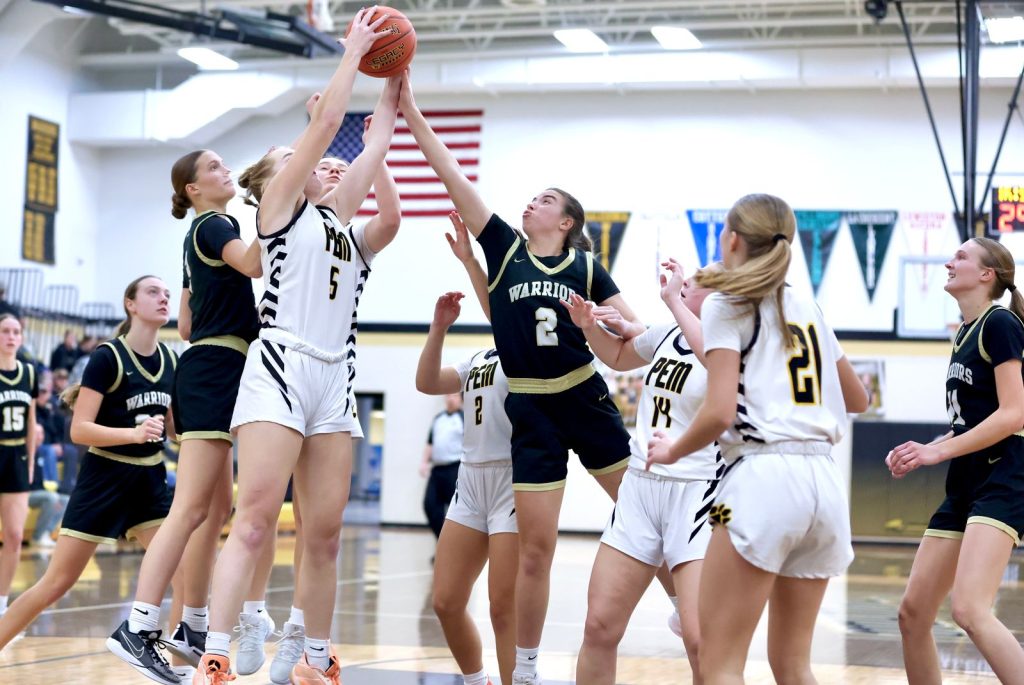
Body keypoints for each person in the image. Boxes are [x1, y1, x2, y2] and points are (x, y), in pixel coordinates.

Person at [399, 75, 644, 685]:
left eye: (544, 200)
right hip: (531, 409)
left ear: (566, 221)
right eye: (531, 198)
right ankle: (526, 671)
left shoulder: (587, 265)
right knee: (537, 550)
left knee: (643, 511)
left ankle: (687, 611)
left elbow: (634, 338)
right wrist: (411, 112)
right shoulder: (505, 250)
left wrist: (609, 322)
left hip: (583, 394)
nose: (530, 204)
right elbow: (451, 172)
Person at [192, 11, 401, 683]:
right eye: (290, 156)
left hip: (336, 375)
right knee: (255, 520)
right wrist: (352, 55)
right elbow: (325, 125)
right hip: (281, 365)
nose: (304, 157)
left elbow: (377, 150)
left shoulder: (341, 222)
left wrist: (393, 85)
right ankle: (216, 652)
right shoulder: (277, 208)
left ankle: (315, 657)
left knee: (326, 534)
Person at [646, 193, 868, 685]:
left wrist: (672, 449)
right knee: (793, 665)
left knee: (720, 662)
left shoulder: (726, 304)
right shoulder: (807, 305)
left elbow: (719, 410)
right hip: (825, 486)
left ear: (731, 239)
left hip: (760, 480)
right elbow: (858, 398)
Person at [107, 148, 263, 684]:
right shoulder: (217, 224)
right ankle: (138, 626)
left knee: (215, 509)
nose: (226, 171)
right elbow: (255, 264)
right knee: (191, 508)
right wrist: (279, 209)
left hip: (213, 366)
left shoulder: (198, 233)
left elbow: (187, 324)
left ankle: (193, 627)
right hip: (216, 368)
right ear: (193, 189)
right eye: (214, 168)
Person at [0, 277, 184, 683]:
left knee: (186, 574)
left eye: (168, 294)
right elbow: (79, 430)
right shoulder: (108, 357)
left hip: (149, 480)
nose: (164, 298)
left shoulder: (171, 361)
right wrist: (133, 434)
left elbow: (172, 428)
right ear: (130, 304)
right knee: (57, 582)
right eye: (153, 292)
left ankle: (177, 670)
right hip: (105, 480)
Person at [566, 259, 719, 685]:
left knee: (700, 640)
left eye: (700, 280)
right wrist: (588, 326)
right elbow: (617, 356)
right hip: (640, 487)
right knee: (599, 625)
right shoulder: (667, 334)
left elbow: (716, 365)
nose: (686, 280)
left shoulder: (733, 345)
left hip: (697, 493)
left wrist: (672, 303)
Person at [888, 237, 1024, 684]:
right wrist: (923, 450)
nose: (949, 262)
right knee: (913, 614)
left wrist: (938, 451)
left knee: (969, 609)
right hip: (965, 479)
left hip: (1004, 474)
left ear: (987, 274)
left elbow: (1014, 414)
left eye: (961, 256)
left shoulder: (999, 323)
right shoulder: (964, 332)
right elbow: (971, 423)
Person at [0, 313, 37, 617]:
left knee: (14, 536)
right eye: (5, 331)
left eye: (16, 332)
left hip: (16, 458)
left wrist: (31, 462)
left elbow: (31, 422)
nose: (11, 337)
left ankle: (1, 605)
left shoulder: (28, 373)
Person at [30, 378, 69, 548]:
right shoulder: (24, 453)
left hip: (39, 491)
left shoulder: (42, 453)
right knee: (51, 497)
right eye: (37, 433)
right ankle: (37, 537)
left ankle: (46, 532)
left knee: (65, 499)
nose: (40, 436)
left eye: (41, 434)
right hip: (25, 493)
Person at [420, 393, 464, 539]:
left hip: (455, 469)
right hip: (437, 470)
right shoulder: (438, 419)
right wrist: (424, 462)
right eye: (448, 396)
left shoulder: (464, 418)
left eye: (454, 396)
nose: (451, 399)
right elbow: (430, 443)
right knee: (430, 505)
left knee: (455, 510)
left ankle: (456, 543)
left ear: (461, 399)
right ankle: (442, 540)